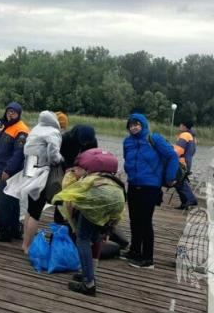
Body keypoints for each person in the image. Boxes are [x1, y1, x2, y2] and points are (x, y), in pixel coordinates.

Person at [52, 149, 125, 296]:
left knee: (82, 239)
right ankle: (89, 272)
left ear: (86, 169)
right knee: (94, 236)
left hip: (97, 200)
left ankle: (88, 283)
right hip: (118, 199)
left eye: (77, 169)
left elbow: (68, 200)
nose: (74, 172)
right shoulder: (107, 177)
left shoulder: (86, 179)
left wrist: (72, 221)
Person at [121, 114, 179, 269]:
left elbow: (173, 155)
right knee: (134, 220)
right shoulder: (127, 142)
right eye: (131, 125)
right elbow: (127, 159)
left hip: (150, 186)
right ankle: (134, 251)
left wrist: (170, 177)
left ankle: (147, 259)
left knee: (145, 221)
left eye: (137, 124)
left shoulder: (154, 139)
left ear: (143, 125)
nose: (133, 127)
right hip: (133, 185)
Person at [13, 110, 63, 252]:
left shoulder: (36, 128)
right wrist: (60, 160)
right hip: (40, 169)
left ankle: (25, 241)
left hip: (29, 166)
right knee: (36, 211)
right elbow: (53, 153)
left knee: (30, 207)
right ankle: (27, 246)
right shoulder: (53, 132)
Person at [0, 102, 30, 242]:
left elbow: (19, 154)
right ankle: (14, 230)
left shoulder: (21, 130)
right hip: (3, 168)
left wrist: (8, 170)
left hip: (10, 171)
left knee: (3, 202)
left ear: (19, 114)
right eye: (8, 111)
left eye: (13, 112)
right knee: (13, 201)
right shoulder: (6, 126)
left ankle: (4, 233)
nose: (10, 114)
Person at [173, 121, 198, 209]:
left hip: (181, 162)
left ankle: (191, 200)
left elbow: (178, 150)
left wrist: (170, 154)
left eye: (180, 124)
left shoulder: (185, 135)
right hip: (187, 162)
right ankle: (185, 203)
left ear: (184, 126)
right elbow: (193, 151)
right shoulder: (192, 136)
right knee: (179, 182)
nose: (179, 125)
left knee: (179, 182)